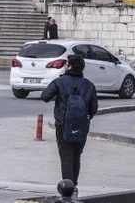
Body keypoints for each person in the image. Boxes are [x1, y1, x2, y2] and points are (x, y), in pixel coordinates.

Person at [41, 55, 97, 195]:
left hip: (63, 125)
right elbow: (94, 108)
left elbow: (45, 96)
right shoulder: (89, 85)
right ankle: (74, 186)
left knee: (66, 157)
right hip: (81, 126)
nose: (64, 66)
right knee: (76, 156)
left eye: (66, 64)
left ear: (70, 66)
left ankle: (68, 188)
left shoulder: (60, 81)